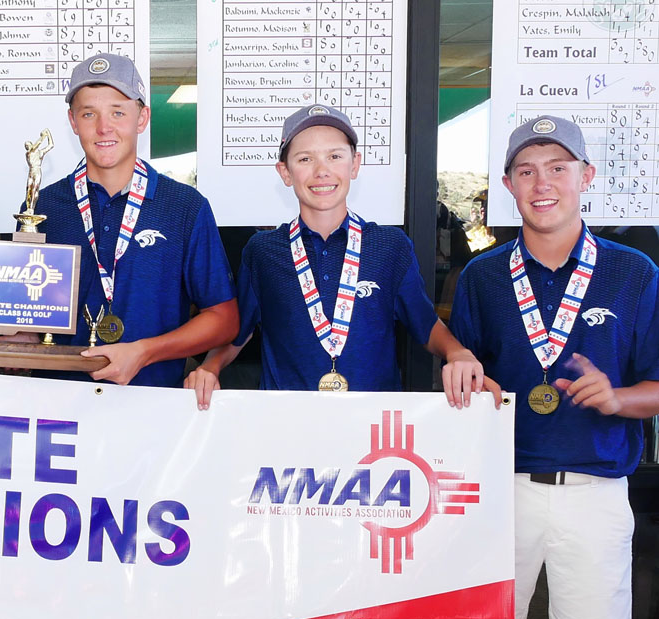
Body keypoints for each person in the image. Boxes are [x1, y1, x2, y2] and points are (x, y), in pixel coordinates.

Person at [450, 115, 659, 619]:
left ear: (586, 176)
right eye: (526, 171)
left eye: (558, 168)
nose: (542, 183)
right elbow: (464, 376)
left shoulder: (634, 272)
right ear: (508, 185)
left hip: (596, 493)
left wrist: (618, 399)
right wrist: (467, 382)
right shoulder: (482, 276)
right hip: (499, 490)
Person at [185, 104, 490, 408]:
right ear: (285, 172)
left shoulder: (390, 246)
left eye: (335, 156)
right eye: (305, 159)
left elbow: (425, 325)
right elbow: (239, 334)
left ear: (354, 165)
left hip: (371, 421)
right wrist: (209, 368)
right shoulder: (262, 251)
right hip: (286, 420)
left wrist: (457, 353)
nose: (322, 171)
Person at [30, 53, 238, 386]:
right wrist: (12, 336)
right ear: (73, 121)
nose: (103, 127)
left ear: (142, 118)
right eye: (89, 114)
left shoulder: (185, 206)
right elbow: (30, 315)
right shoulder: (43, 206)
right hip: (60, 402)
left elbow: (223, 319)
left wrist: (144, 352)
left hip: (151, 400)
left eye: (118, 112)